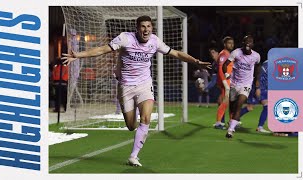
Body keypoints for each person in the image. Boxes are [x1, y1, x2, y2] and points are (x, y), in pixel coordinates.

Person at [62, 15, 210, 166]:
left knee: (146, 119)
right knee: (131, 126)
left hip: (145, 85)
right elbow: (102, 49)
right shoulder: (125, 39)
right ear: (137, 28)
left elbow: (177, 53)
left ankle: (133, 156)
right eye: (143, 27)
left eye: (149, 26)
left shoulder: (154, 41)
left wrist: (196, 62)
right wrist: (78, 55)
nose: (146, 30)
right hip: (125, 86)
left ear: (152, 28)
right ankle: (135, 111)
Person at [222, 35, 261, 138]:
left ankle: (230, 130)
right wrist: (226, 74)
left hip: (246, 84)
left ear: (253, 44)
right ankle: (232, 120)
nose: (248, 44)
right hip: (234, 83)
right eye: (246, 42)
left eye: (250, 42)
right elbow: (225, 65)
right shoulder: (236, 52)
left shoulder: (256, 56)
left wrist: (257, 82)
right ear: (243, 43)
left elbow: (257, 68)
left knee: (239, 104)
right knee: (233, 105)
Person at [214, 36, 234, 129]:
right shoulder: (223, 54)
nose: (231, 45)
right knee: (225, 101)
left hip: (227, 80)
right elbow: (220, 69)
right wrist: (225, 82)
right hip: (225, 81)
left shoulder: (228, 54)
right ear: (225, 44)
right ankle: (218, 122)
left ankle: (230, 121)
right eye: (229, 43)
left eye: (232, 43)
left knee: (227, 101)